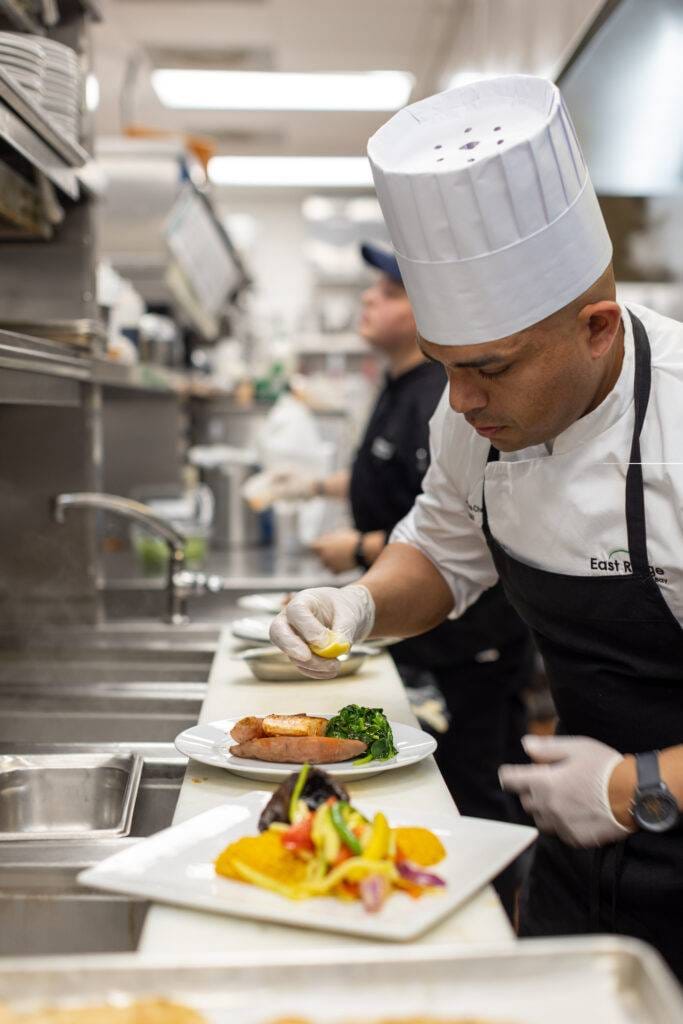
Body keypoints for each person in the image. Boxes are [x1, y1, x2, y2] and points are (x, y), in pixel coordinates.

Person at [270, 75, 683, 977]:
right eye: (443, 367)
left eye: (489, 368)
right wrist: (360, 607)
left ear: (597, 329)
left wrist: (635, 786)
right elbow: (439, 550)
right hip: (579, 854)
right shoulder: (470, 415)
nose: (460, 401)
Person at [268, 244, 534, 851]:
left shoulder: (443, 397)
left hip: (474, 646)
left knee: (482, 802)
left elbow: (471, 532)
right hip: (429, 629)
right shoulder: (431, 400)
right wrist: (360, 603)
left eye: (389, 292)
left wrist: (361, 551)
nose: (464, 397)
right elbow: (441, 530)